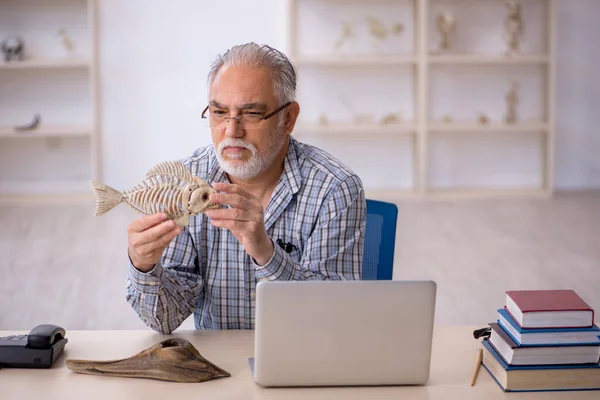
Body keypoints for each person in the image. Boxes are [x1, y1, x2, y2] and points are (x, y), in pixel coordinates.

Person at [126, 43, 366, 333]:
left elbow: (332, 321)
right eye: (219, 112)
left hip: (304, 363)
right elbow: (165, 320)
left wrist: (266, 252)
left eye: (251, 114)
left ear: (288, 118)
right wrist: (144, 267)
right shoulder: (184, 182)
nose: (231, 131)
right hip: (216, 367)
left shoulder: (335, 188)